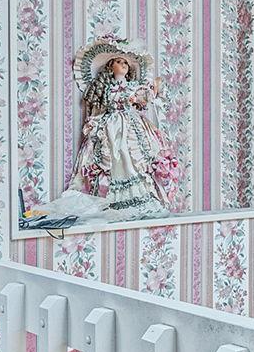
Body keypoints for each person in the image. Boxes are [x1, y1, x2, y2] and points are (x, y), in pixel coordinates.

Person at [66, 40, 181, 219]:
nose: (124, 65)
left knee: (135, 155)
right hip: (112, 125)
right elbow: (102, 106)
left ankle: (140, 195)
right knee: (115, 154)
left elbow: (145, 97)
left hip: (131, 123)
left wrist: (153, 89)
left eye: (126, 62)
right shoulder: (106, 87)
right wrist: (95, 123)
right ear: (110, 66)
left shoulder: (133, 86)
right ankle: (114, 198)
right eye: (119, 62)